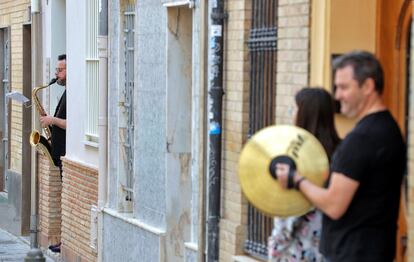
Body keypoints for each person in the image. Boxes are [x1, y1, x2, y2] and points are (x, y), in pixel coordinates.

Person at [274, 51, 406, 262]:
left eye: (344, 87)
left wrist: (297, 179)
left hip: (352, 254)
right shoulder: (388, 128)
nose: (337, 96)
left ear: (368, 86)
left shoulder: (362, 139)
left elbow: (334, 205)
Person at [268, 88, 340, 262]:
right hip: (333, 250)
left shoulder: (298, 161)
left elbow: (288, 217)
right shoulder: (341, 152)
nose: (291, 114)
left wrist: (274, 251)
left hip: (300, 251)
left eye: (294, 109)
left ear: (304, 114)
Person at [39, 54, 67, 253]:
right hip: (59, 151)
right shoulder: (66, 92)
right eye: (56, 70)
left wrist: (52, 121)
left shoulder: (74, 93)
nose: (56, 74)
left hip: (66, 153)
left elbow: (71, 124)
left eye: (60, 70)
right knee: (63, 197)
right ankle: (63, 239)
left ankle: (65, 241)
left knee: (65, 197)